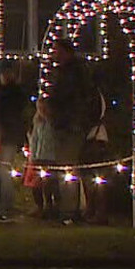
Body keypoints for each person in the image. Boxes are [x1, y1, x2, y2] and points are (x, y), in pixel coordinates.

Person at [46, 40, 96, 225]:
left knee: (67, 168)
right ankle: (69, 208)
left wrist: (53, 106)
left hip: (70, 125)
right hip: (66, 124)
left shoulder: (72, 74)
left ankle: (69, 211)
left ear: (66, 52)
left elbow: (65, 97)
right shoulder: (71, 72)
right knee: (66, 168)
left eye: (57, 51)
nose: (54, 55)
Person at [0, 61, 28, 223]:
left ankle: (5, 207)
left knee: (3, 171)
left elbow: (7, 115)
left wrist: (0, 130)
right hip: (6, 135)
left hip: (8, 136)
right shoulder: (7, 93)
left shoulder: (10, 94)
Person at [80, 90, 111, 225]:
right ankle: (91, 210)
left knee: (97, 179)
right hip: (94, 138)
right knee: (91, 179)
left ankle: (99, 213)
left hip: (96, 139)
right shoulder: (94, 96)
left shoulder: (94, 97)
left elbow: (92, 115)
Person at [28, 98, 62, 219]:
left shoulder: (52, 123)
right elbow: (34, 140)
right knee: (36, 184)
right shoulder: (38, 123)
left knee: (50, 184)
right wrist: (32, 157)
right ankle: (39, 206)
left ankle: (51, 206)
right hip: (39, 156)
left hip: (50, 157)